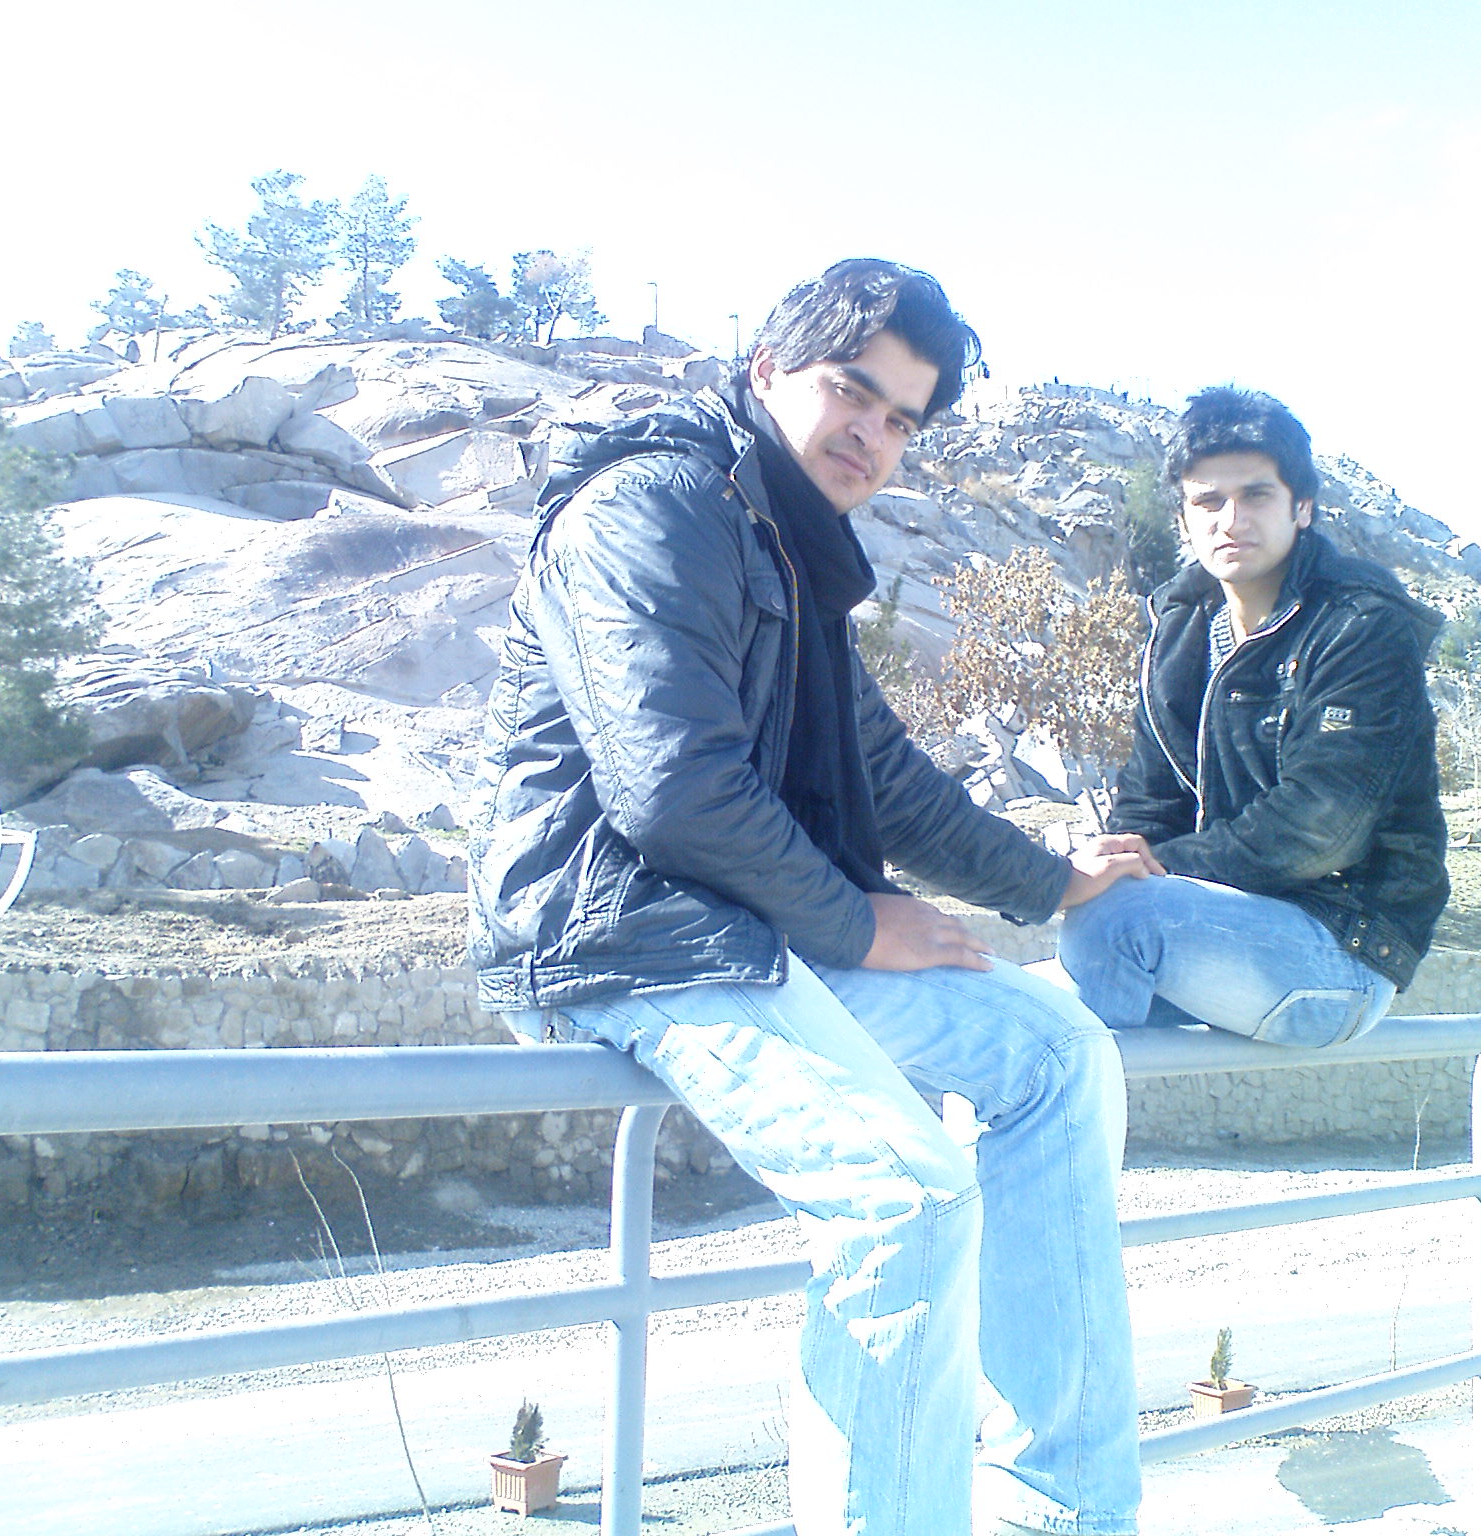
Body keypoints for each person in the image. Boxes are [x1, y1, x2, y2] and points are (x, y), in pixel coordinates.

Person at [471, 259, 1151, 1536]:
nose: (870, 435)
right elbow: (672, 792)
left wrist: (1055, 880)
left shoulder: (788, 542)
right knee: (907, 1199)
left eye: (900, 419)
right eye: (850, 390)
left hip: (747, 923)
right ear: (767, 367)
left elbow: (883, 778)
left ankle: (1058, 1513)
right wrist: (855, 926)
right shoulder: (649, 506)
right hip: (620, 935)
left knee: (1061, 1054)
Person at [1059, 386, 1449, 1047]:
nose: (1231, 519)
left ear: (1303, 507)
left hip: (1341, 948)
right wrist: (1110, 861)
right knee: (1003, 1004)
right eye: (1208, 501)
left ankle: (1104, 1104)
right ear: (1184, 519)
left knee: (1114, 919)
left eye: (1256, 495)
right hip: (1210, 927)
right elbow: (1149, 805)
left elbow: (1322, 825)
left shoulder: (1358, 625)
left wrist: (1148, 871)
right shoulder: (1178, 635)